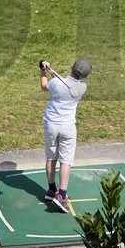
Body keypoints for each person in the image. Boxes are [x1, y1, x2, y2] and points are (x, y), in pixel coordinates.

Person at [39, 57, 91, 213]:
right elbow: (67, 85)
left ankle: (51, 190)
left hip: (51, 125)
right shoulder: (82, 88)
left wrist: (43, 70)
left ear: (71, 67)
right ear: (85, 76)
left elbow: (44, 86)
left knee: (51, 157)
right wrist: (52, 71)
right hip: (68, 128)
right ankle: (62, 195)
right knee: (65, 161)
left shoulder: (55, 83)